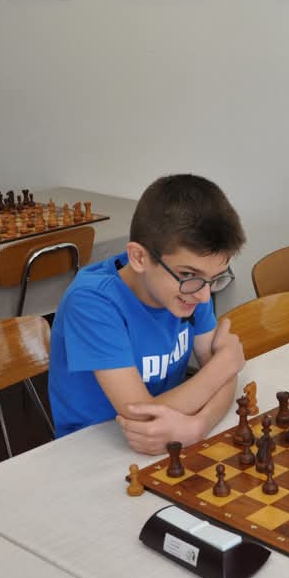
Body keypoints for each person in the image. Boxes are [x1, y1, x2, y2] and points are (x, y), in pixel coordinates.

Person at [49, 174, 247, 455]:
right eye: (190, 275)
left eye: (215, 278)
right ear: (139, 258)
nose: (205, 296)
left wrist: (198, 426)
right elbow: (141, 415)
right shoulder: (92, 302)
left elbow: (225, 378)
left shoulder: (190, 287)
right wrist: (224, 364)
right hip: (91, 452)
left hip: (169, 439)